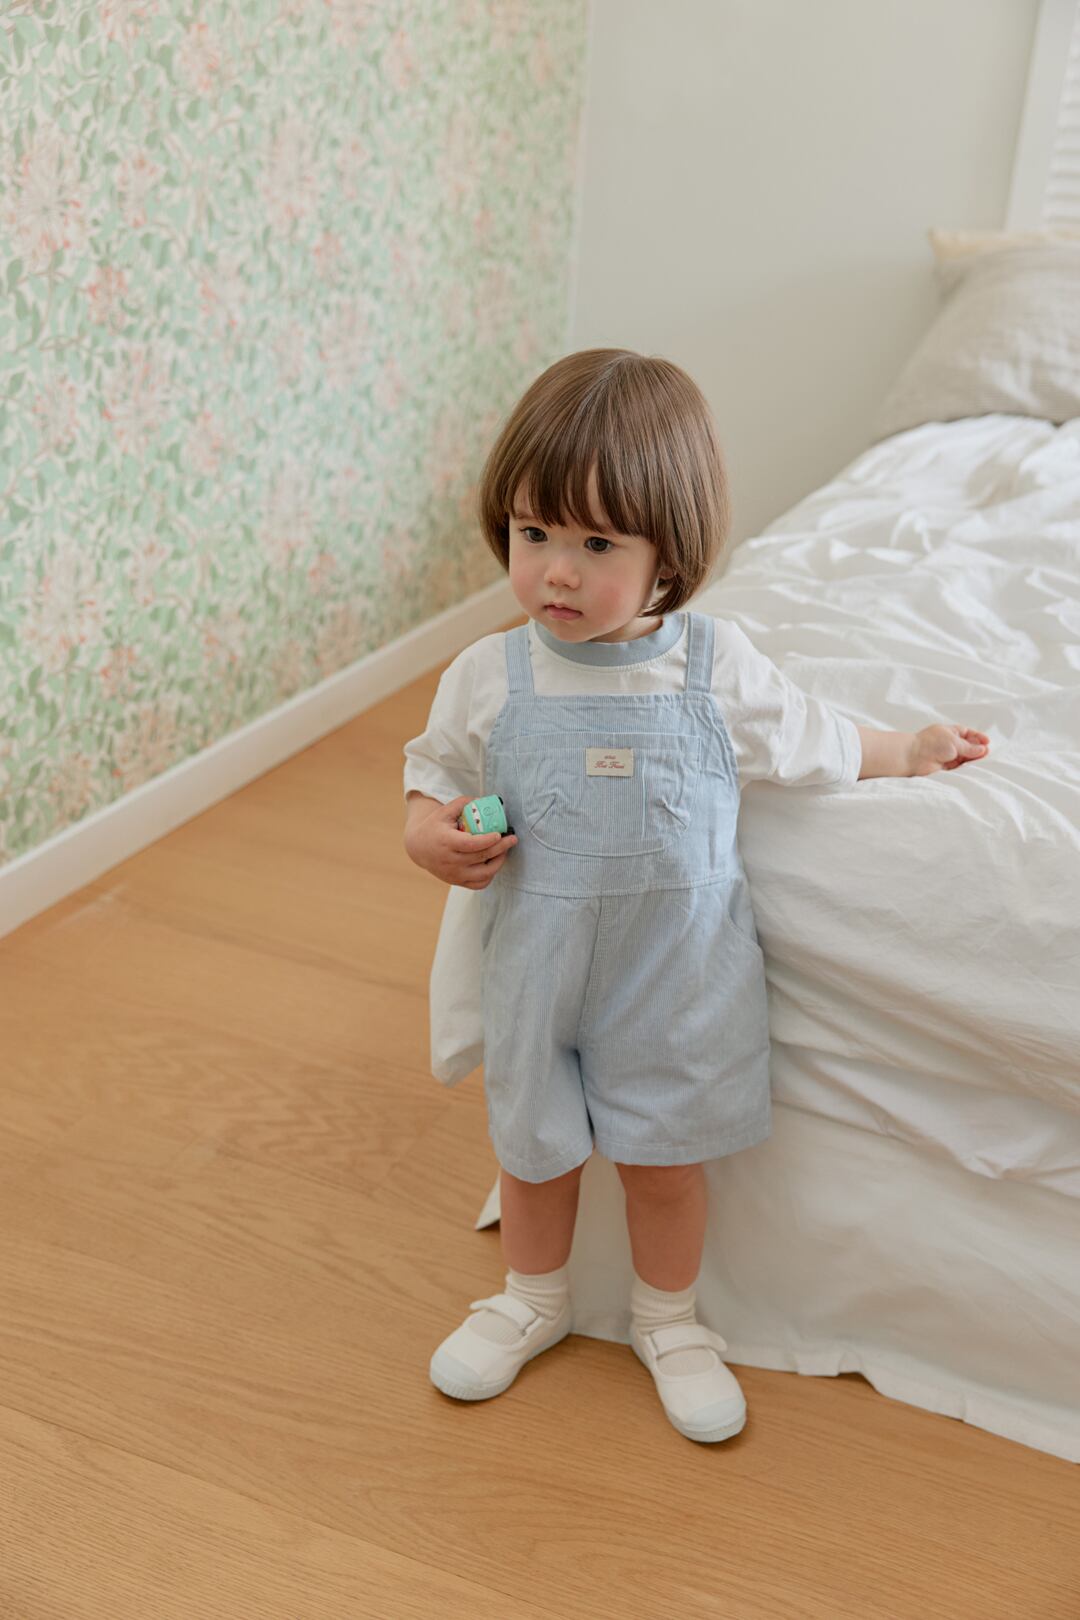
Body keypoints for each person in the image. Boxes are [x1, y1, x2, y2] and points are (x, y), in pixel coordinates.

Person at [402, 348, 990, 1444]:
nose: (556, 574)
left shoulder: (715, 668)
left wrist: (907, 750)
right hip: (536, 970)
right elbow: (434, 772)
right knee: (532, 1153)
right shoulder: (490, 674)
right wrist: (426, 831)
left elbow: (813, 737)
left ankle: (670, 1321)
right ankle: (531, 1299)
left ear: (668, 552)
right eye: (534, 534)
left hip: (672, 980)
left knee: (665, 1168)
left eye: (596, 545)